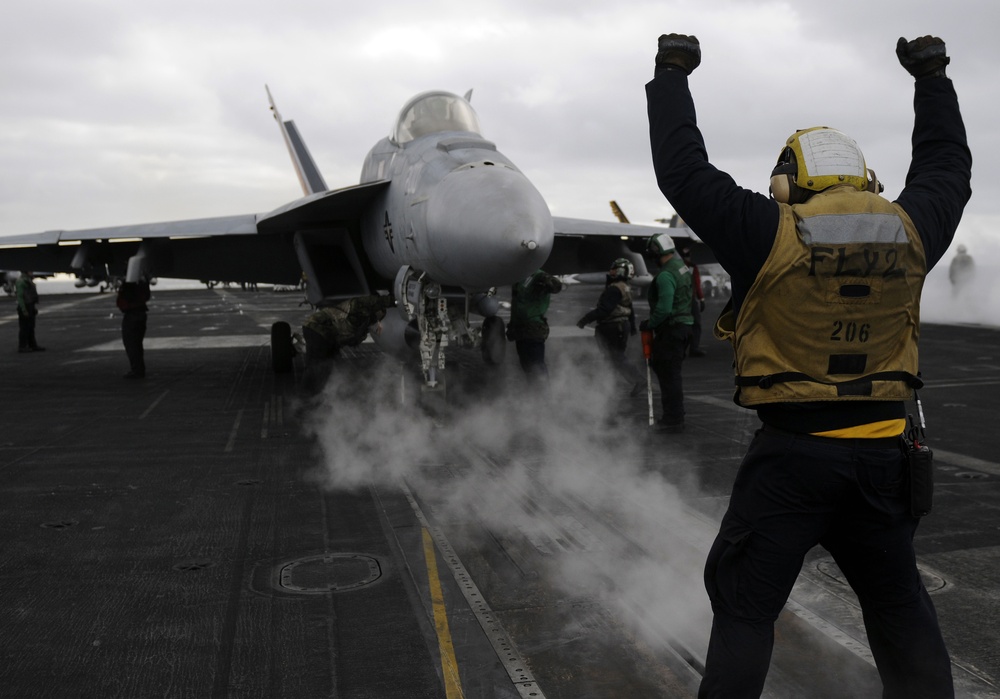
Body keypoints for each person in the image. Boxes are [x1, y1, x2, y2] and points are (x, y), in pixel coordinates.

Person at [647, 33, 971, 698]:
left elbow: (683, 170)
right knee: (900, 607)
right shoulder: (911, 227)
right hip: (885, 455)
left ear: (789, 179)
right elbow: (947, 165)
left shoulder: (768, 230)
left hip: (792, 461)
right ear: (863, 178)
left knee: (744, 610)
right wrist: (932, 78)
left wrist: (672, 72)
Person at [639, 233, 693, 431]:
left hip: (671, 330)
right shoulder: (682, 269)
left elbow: (664, 308)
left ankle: (673, 419)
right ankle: (676, 414)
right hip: (685, 327)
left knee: (668, 375)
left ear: (655, 252)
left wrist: (649, 324)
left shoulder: (665, 275)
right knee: (673, 374)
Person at [576, 258, 643, 395]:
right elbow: (629, 309)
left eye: (614, 268)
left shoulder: (614, 289)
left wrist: (584, 320)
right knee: (613, 358)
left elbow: (604, 310)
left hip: (612, 327)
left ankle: (638, 380)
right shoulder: (624, 286)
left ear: (620, 270)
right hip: (620, 326)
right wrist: (632, 327)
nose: (611, 271)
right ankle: (609, 385)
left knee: (616, 357)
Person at [301, 293, 395, 389]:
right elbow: (375, 301)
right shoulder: (357, 306)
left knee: (329, 366)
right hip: (316, 328)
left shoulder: (363, 329)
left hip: (328, 336)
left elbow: (347, 340)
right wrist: (394, 301)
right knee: (317, 365)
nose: (377, 321)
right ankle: (306, 397)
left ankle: (320, 395)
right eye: (377, 317)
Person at [506, 269, 563, 382]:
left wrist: (549, 282)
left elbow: (556, 286)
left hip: (533, 330)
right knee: (527, 366)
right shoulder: (520, 277)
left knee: (536, 366)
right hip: (521, 331)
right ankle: (535, 394)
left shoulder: (538, 275)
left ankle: (542, 396)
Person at [117, 279, 151, 379]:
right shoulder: (142, 282)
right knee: (136, 344)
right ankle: (138, 369)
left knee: (132, 344)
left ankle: (137, 370)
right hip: (138, 313)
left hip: (132, 314)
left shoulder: (131, 284)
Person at [681, 247, 707, 357]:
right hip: (690, 300)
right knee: (696, 324)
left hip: (679, 300)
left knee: (681, 323)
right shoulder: (691, 267)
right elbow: (696, 283)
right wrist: (701, 299)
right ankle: (694, 348)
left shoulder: (675, 268)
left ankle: (681, 349)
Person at [15, 271, 44, 353]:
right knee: (24, 328)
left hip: (30, 305)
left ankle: (32, 345)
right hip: (25, 306)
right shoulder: (21, 281)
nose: (32, 273)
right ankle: (22, 346)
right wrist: (24, 309)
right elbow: (20, 297)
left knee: (31, 327)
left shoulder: (27, 280)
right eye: (30, 271)